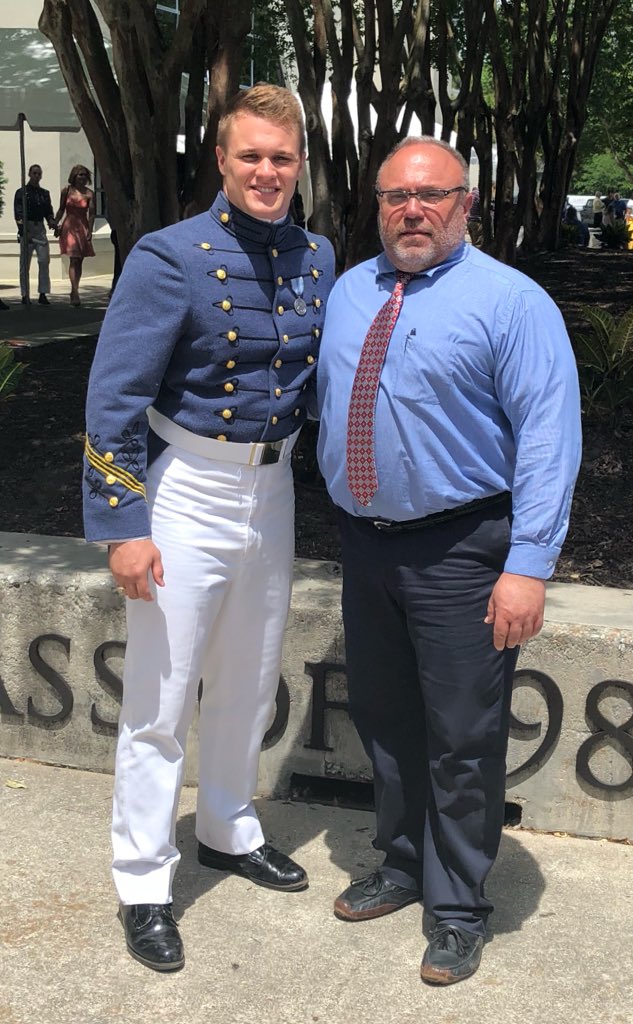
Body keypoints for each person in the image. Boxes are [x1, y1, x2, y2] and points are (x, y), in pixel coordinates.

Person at [82, 83, 335, 973]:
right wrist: (122, 523)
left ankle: (228, 823)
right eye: (250, 156)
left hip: (270, 493)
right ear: (222, 164)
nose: (267, 171)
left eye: (282, 156)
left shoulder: (317, 255)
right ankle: (144, 879)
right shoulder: (170, 255)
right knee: (160, 697)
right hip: (185, 486)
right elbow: (113, 399)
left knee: (249, 681)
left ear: (298, 163)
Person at [317, 137, 581, 986]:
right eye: (396, 196)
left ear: (466, 203)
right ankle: (399, 865)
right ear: (378, 204)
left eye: (431, 196)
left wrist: (528, 565)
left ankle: (459, 906)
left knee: (462, 739)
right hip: (365, 546)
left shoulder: (512, 302)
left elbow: (548, 437)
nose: (412, 211)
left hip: (464, 551)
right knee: (387, 723)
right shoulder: (349, 290)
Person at [13, 164, 56, 305]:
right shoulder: (22, 192)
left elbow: (48, 211)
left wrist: (51, 221)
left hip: (40, 228)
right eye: (34, 173)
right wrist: (24, 230)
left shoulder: (44, 193)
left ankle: (43, 293)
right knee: (25, 264)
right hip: (28, 228)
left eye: (39, 174)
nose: (37, 176)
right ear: (30, 174)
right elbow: (18, 213)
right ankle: (25, 294)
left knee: (44, 261)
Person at [54, 164, 96, 306]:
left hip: (82, 226)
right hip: (69, 226)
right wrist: (55, 222)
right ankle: (75, 291)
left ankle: (75, 287)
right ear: (74, 176)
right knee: (73, 259)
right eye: (80, 175)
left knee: (79, 260)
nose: (82, 178)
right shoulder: (67, 191)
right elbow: (61, 209)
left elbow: (92, 214)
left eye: (84, 175)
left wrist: (90, 230)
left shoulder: (89, 194)